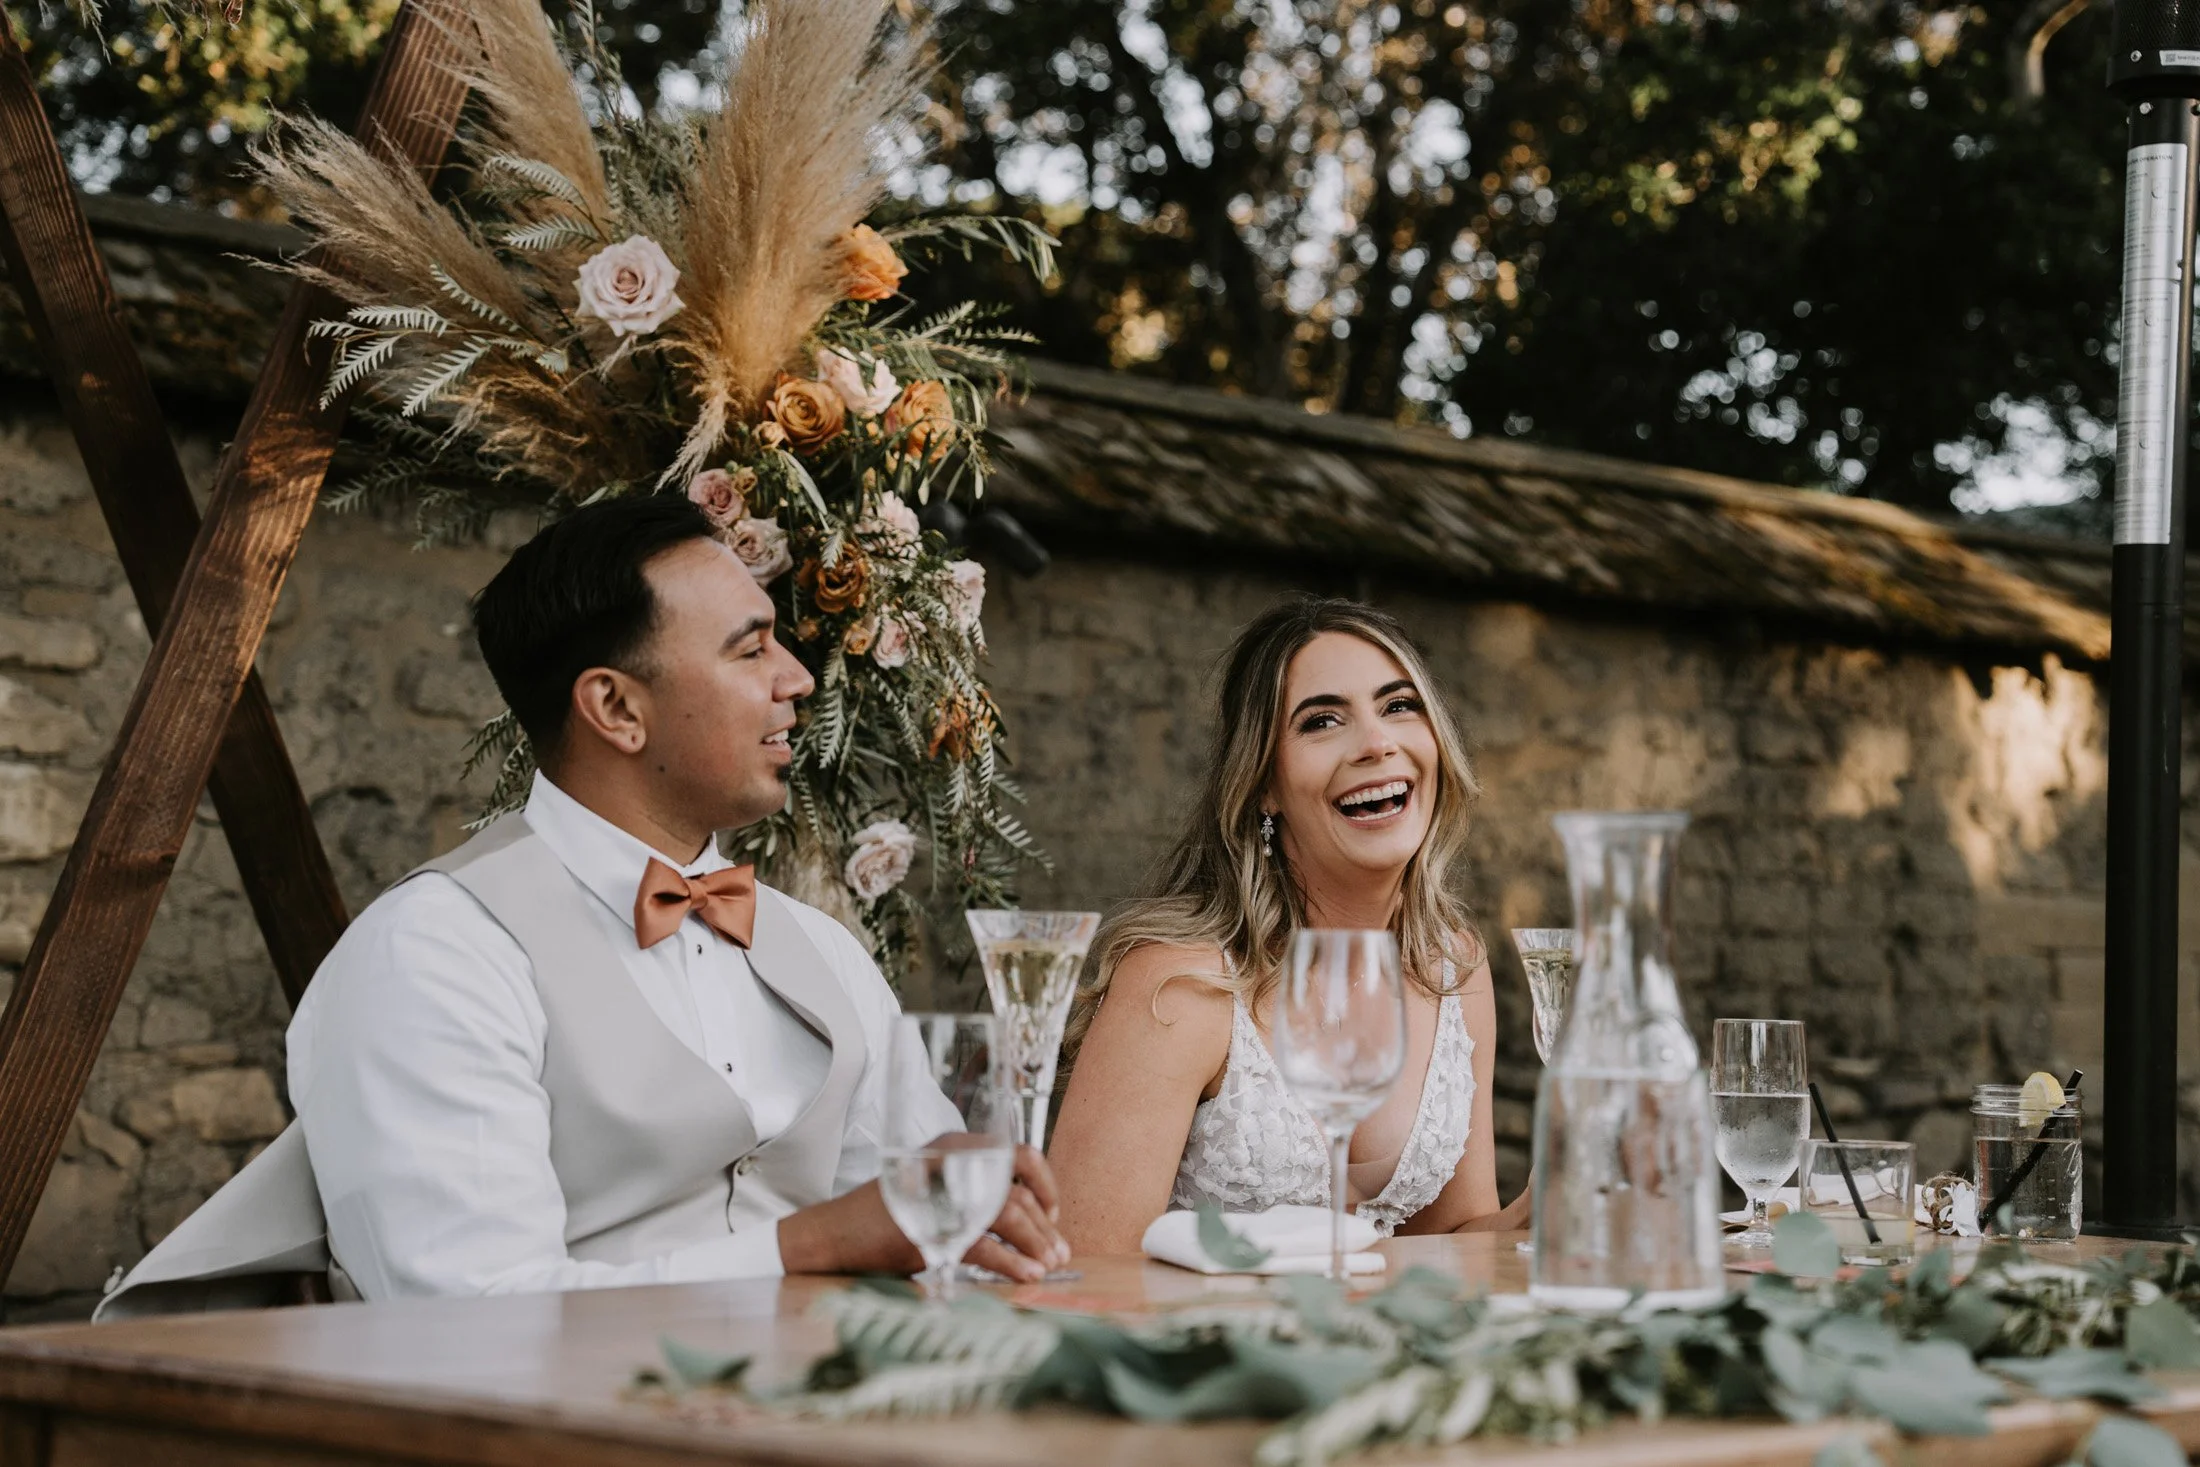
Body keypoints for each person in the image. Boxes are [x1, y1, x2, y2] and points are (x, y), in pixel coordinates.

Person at [100, 494, 1067, 1317]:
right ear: (615, 709)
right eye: (752, 650)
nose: (798, 679)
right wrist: (805, 1246)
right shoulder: (433, 953)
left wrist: (980, 1209)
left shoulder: (824, 951)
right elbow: (465, 1315)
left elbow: (930, 1217)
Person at [1048, 597, 1529, 1252]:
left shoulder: (1452, 968)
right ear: (1263, 785)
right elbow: (1087, 1265)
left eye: (1398, 706)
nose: (1377, 743)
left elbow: (1452, 1240)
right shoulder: (1181, 986)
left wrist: (1558, 1194)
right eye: (1322, 721)